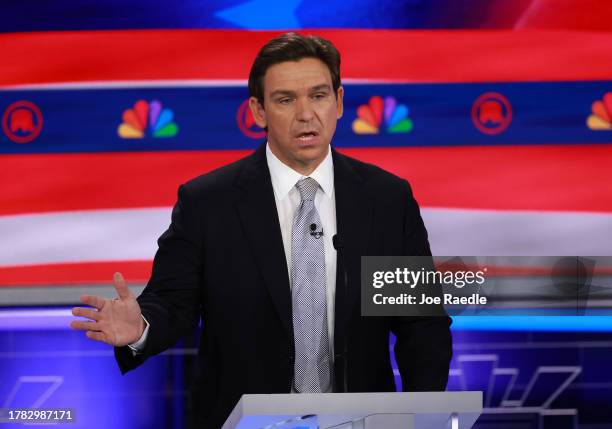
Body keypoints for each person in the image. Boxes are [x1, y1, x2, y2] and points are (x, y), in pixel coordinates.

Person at [70, 32, 452, 428]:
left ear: (339, 103)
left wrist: (422, 418)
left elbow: (420, 324)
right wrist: (142, 328)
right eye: (286, 100)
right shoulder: (208, 203)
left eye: (318, 96)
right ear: (258, 111)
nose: (306, 114)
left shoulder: (386, 200)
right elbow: (172, 302)